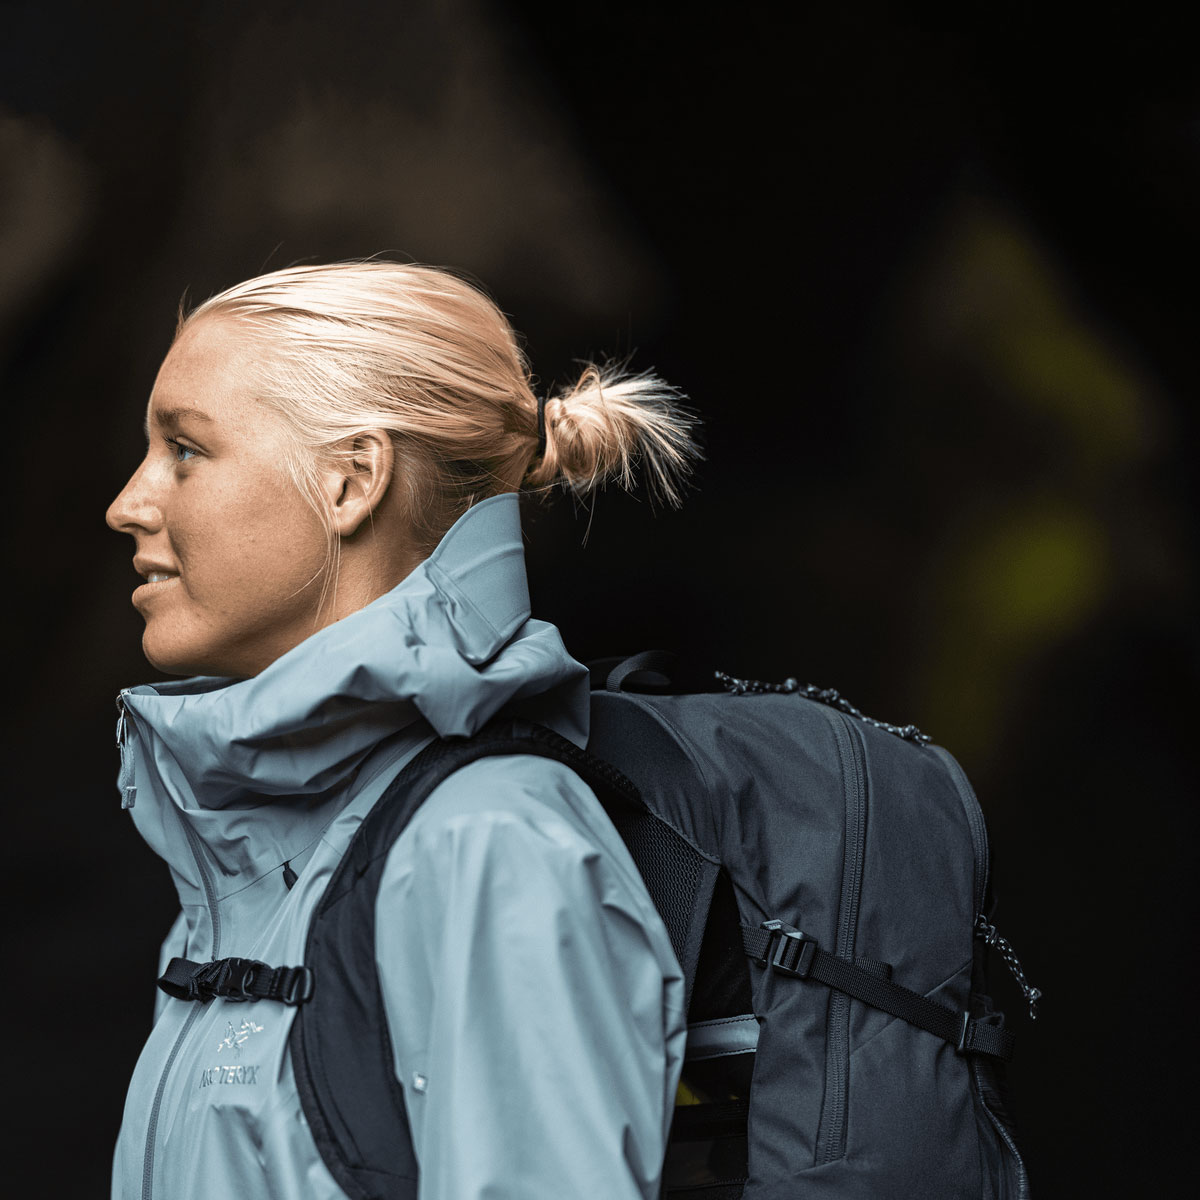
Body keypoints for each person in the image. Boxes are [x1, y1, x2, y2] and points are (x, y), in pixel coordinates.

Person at [105, 261, 698, 1200]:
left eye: (184, 449)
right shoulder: (239, 874)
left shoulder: (489, 841)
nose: (128, 505)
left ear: (352, 480)